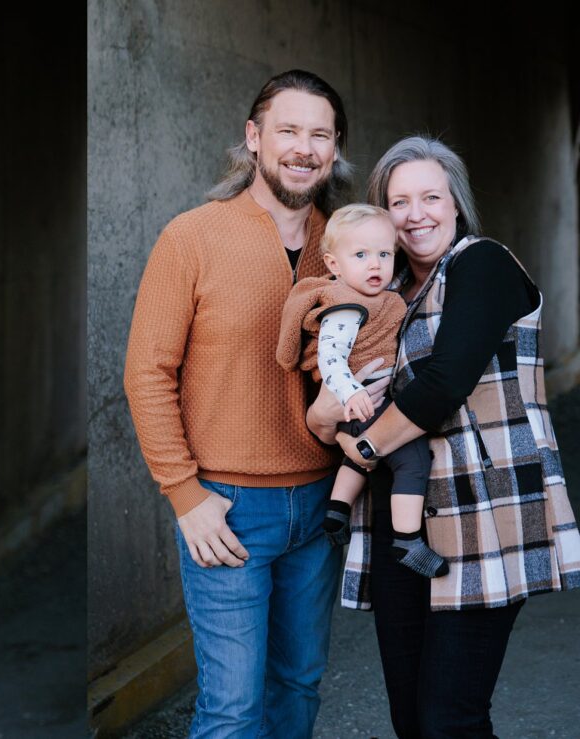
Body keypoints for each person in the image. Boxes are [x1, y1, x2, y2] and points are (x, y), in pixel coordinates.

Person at [124, 69, 372, 738]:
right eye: (288, 130)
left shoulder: (353, 247)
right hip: (228, 507)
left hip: (320, 504)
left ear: (335, 147)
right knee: (232, 709)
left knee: (296, 688)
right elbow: (147, 373)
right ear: (254, 137)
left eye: (320, 134)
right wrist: (184, 493)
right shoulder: (193, 236)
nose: (303, 147)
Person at [305, 135, 580, 738]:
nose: (416, 213)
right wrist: (326, 419)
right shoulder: (381, 293)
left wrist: (367, 446)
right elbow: (324, 397)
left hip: (485, 512)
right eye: (399, 201)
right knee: (410, 718)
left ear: (457, 205)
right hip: (400, 522)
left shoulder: (483, 264)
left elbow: (444, 382)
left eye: (432, 196)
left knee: (450, 720)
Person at [274, 204, 443, 577]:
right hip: (356, 400)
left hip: (363, 400)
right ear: (334, 265)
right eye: (361, 255)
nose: (375, 265)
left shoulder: (379, 298)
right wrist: (351, 393)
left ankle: (337, 509)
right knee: (412, 458)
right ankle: (407, 539)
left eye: (384, 254)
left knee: (358, 458)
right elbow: (330, 357)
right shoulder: (346, 306)